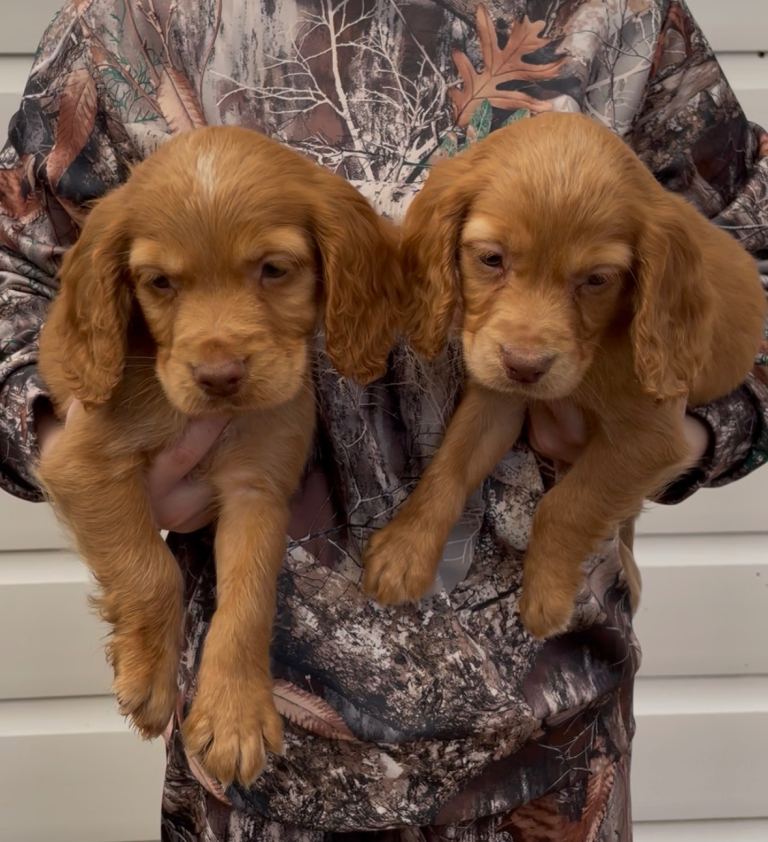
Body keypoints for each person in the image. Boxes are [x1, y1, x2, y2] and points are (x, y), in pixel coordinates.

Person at [1, 1, 767, 839]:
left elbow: (747, 256)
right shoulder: (131, 20)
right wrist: (68, 436)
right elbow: (16, 268)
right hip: (249, 754)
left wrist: (682, 430)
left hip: (554, 758)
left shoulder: (621, 16)